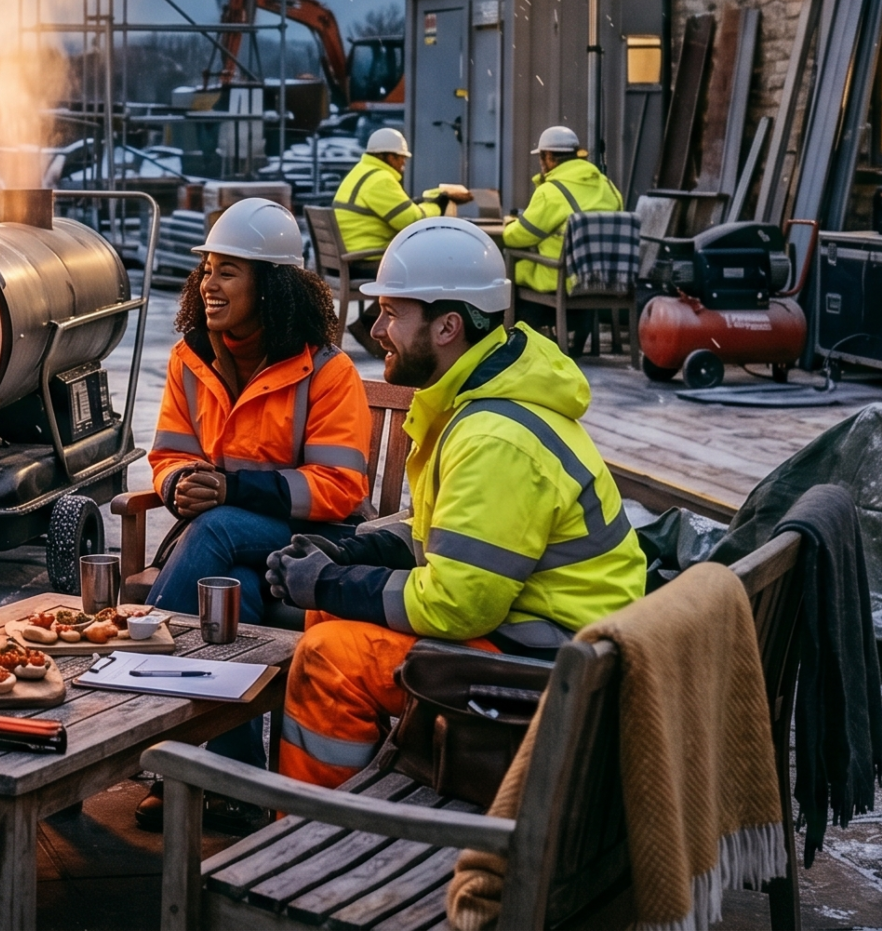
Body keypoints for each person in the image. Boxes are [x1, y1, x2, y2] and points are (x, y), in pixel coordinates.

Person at [261, 217, 645, 788]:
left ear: (447, 327)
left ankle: (313, 825)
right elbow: (445, 534)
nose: (376, 328)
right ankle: (367, 783)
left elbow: (461, 605)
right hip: (547, 638)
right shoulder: (481, 403)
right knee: (329, 614)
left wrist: (329, 582)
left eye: (392, 313)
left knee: (329, 655)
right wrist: (346, 553)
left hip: (556, 671)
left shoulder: (492, 436)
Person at [136, 195, 373, 830]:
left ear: (269, 284)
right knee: (228, 591)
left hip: (313, 541)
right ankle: (233, 782)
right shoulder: (191, 360)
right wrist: (178, 484)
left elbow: (341, 486)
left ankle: (143, 729)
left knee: (213, 532)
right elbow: (169, 455)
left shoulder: (327, 371)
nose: (208, 285)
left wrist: (227, 490)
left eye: (227, 272)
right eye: (206, 270)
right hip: (228, 548)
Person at [500, 125, 625, 354]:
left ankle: (521, 346)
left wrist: (509, 227)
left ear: (548, 157)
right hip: (603, 277)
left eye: (541, 157)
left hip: (563, 278)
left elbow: (516, 238)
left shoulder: (551, 191)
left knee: (510, 268)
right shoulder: (608, 185)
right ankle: (576, 343)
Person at [332, 127, 465, 257]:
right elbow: (412, 222)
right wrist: (438, 204)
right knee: (435, 262)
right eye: (401, 157)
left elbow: (397, 212)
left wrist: (422, 201)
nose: (403, 162)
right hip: (367, 256)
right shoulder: (381, 180)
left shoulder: (361, 171)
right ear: (389, 157)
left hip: (353, 251)